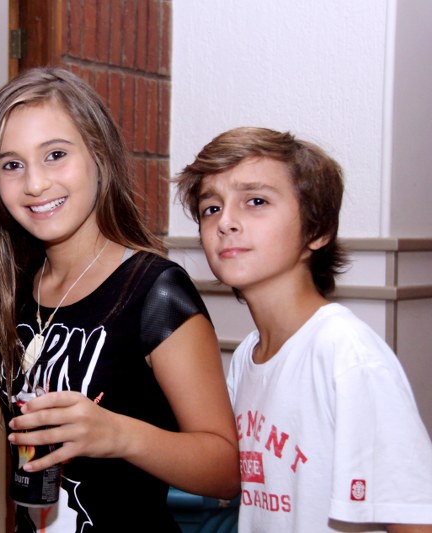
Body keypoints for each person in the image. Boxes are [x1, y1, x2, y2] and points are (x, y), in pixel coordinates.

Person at [0, 66, 240, 532]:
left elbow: (225, 470)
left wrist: (117, 434)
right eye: (11, 164)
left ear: (100, 157)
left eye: (55, 155)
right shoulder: (8, 290)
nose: (35, 183)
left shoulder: (155, 291)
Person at [173, 126, 432, 532]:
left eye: (256, 201)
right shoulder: (248, 356)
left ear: (317, 230)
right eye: (211, 208)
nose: (226, 222)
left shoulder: (345, 353)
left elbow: (415, 520)